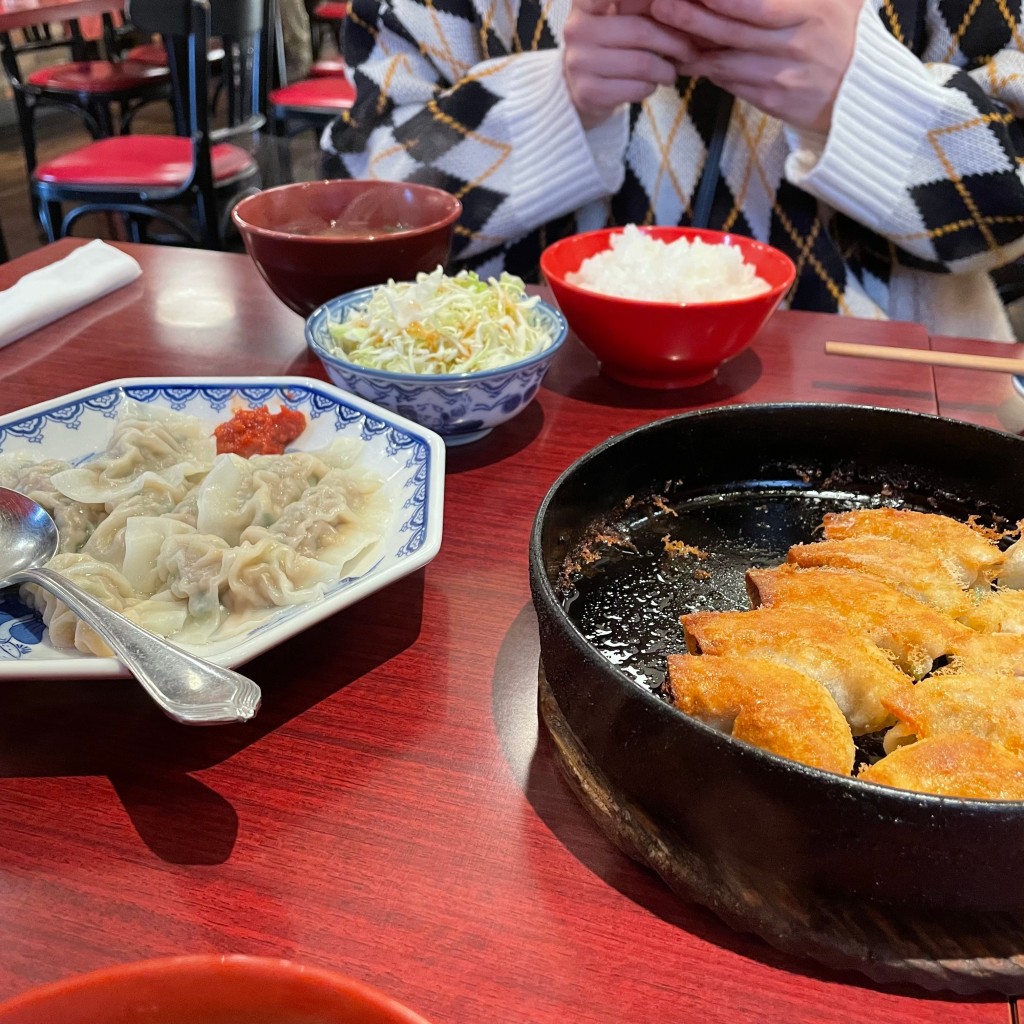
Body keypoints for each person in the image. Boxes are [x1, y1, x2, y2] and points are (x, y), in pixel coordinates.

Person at [321, 0, 1024, 339]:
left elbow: (1010, 219)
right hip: (515, 409)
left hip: (880, 423)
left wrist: (862, 94)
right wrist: (552, 105)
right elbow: (353, 221)